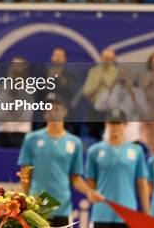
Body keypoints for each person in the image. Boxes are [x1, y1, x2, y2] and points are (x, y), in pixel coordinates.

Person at [18, 97, 103, 226]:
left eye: (56, 109)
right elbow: (25, 173)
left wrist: (89, 192)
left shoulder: (75, 143)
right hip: (36, 207)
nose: (52, 113)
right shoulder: (32, 139)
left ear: (64, 112)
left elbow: (76, 178)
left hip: (62, 208)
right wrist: (23, 200)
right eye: (48, 109)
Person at [86, 110, 151, 228]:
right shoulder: (94, 151)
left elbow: (142, 183)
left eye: (118, 123)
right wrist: (90, 195)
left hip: (127, 214)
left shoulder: (137, 151)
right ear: (106, 124)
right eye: (112, 123)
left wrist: (147, 214)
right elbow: (90, 183)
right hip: (101, 214)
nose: (115, 127)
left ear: (125, 125)